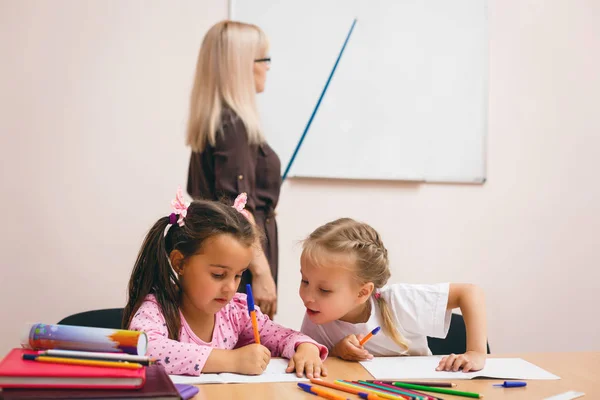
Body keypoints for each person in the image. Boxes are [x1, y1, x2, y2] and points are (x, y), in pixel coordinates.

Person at [122, 188, 327, 377]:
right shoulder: (155, 309)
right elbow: (145, 348)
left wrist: (306, 348)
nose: (230, 288)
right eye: (219, 275)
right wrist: (231, 360)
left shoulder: (236, 312)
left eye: (238, 275)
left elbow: (283, 336)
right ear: (180, 263)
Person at [299, 218, 487, 372]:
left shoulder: (398, 301)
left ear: (363, 292)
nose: (308, 296)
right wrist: (336, 351)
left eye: (324, 290)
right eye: (305, 281)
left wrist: (476, 353)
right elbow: (317, 362)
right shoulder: (316, 315)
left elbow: (471, 293)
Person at [185, 20, 280, 319]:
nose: (267, 67)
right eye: (263, 59)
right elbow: (237, 210)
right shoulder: (234, 127)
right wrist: (262, 273)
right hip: (242, 267)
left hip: (223, 259)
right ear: (241, 66)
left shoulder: (217, 122)